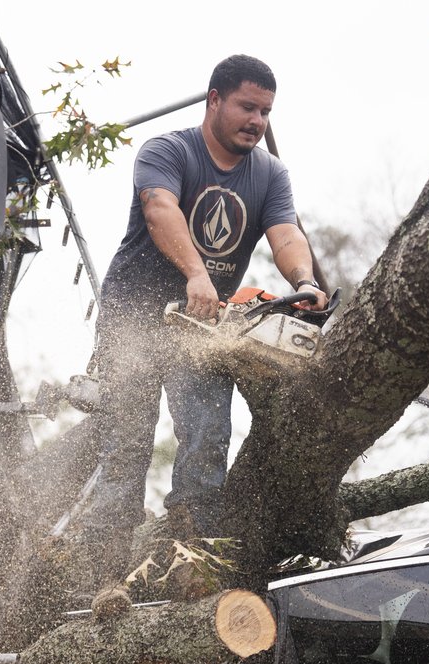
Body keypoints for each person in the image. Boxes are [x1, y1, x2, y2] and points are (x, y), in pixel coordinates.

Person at [78, 54, 327, 588]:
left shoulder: (270, 174)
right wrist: (195, 271)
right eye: (246, 106)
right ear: (214, 100)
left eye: (264, 111)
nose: (256, 121)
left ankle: (193, 553)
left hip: (204, 324)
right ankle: (95, 567)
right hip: (135, 314)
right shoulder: (169, 150)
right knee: (126, 442)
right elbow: (160, 209)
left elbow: (284, 234)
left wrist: (303, 281)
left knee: (208, 433)